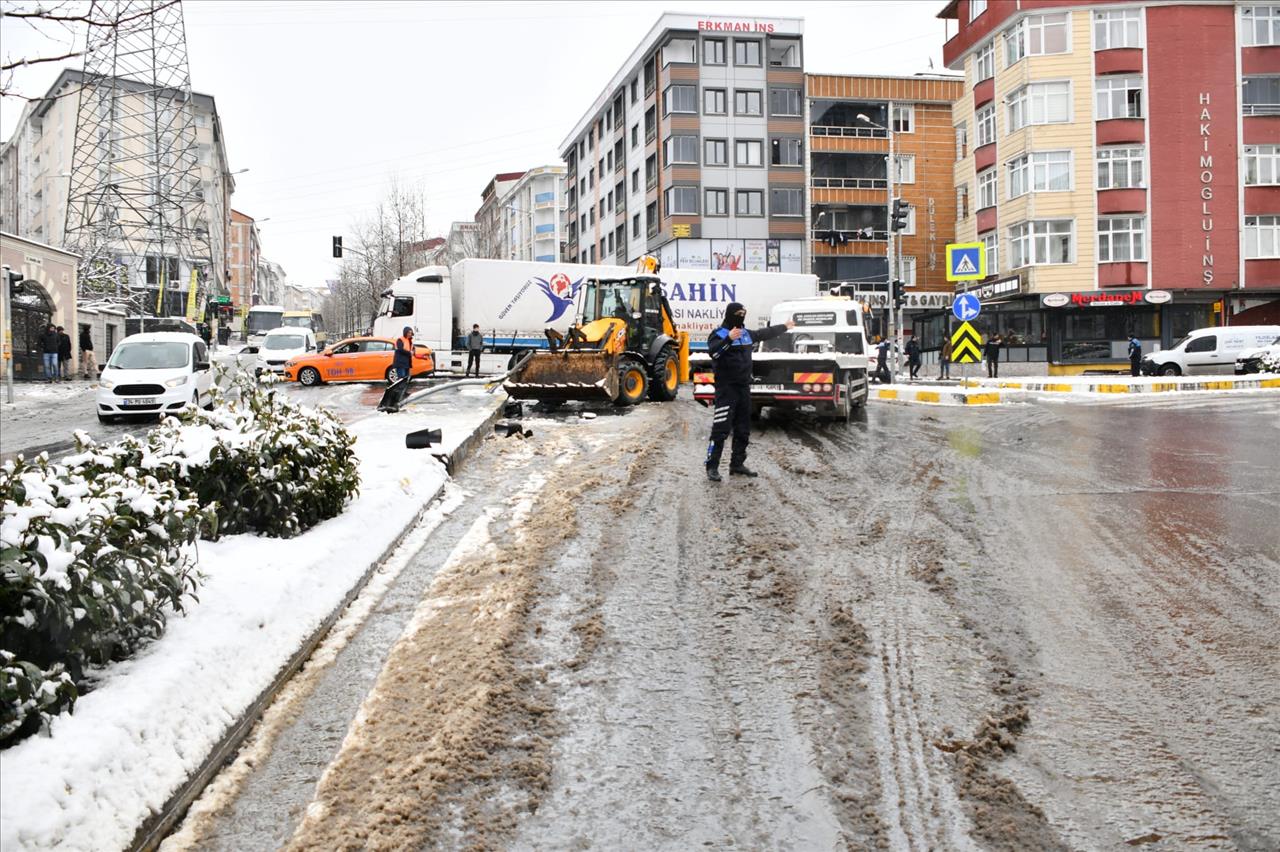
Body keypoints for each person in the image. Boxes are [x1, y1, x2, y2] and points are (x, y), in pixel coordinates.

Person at [704, 302, 793, 482]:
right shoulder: (718, 335)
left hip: (743, 388)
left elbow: (764, 334)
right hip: (726, 389)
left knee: (743, 429)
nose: (741, 316)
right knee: (721, 429)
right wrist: (728, 339)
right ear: (730, 314)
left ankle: (737, 464)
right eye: (738, 313)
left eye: (743, 313)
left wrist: (784, 326)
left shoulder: (746, 335)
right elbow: (714, 354)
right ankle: (712, 467)